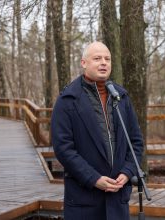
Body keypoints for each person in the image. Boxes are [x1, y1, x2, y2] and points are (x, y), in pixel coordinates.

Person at [51, 41, 144, 220]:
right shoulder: (67, 100)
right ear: (83, 63)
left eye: (107, 59)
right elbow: (63, 149)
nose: (104, 62)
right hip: (84, 201)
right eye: (97, 58)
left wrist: (127, 171)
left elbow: (136, 142)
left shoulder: (121, 97)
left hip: (118, 199)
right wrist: (93, 178)